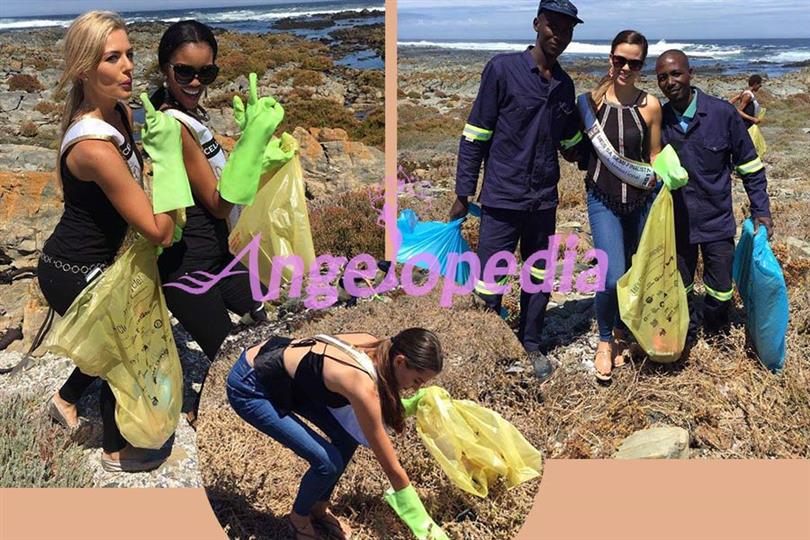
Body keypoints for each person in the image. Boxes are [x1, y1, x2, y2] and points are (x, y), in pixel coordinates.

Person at [42, 11, 180, 471]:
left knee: (109, 342)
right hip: (73, 269)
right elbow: (159, 230)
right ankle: (117, 451)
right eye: (112, 57)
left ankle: (64, 399)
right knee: (122, 351)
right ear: (85, 68)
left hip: (100, 260)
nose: (128, 67)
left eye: (130, 55)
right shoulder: (93, 148)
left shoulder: (120, 112)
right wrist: (172, 163)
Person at [149, 20, 286, 428]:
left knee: (266, 322)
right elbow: (217, 202)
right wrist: (252, 147)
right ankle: (204, 414)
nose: (195, 81)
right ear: (164, 69)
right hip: (188, 267)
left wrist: (252, 152)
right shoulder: (172, 125)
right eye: (184, 72)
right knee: (235, 358)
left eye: (206, 73)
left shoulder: (190, 116)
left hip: (219, 256)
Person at [448, 0, 584, 382]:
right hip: (502, 197)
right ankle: (485, 343)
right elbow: (475, 134)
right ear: (537, 23)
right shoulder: (502, 70)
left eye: (568, 29)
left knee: (538, 274)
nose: (559, 35)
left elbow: (568, 139)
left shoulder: (565, 85)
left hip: (543, 200)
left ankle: (530, 342)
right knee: (491, 277)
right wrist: (463, 191)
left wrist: (598, 154)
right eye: (553, 26)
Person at [227, 328, 447, 540]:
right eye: (417, 380)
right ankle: (298, 518)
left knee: (346, 438)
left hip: (287, 377)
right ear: (400, 361)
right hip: (251, 386)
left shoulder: (377, 345)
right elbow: (392, 468)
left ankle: (318, 507)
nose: (416, 388)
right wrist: (424, 525)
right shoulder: (360, 384)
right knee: (327, 463)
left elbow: (378, 403)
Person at [655, 50, 773, 346]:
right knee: (678, 284)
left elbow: (750, 166)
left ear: (690, 73)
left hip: (716, 219)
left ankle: (716, 328)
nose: (670, 82)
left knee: (720, 286)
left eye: (676, 73)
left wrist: (761, 209)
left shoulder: (722, 114)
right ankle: (686, 330)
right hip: (677, 222)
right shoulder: (659, 119)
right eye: (662, 77)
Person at [580, 30, 662, 382]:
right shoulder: (590, 102)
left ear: (642, 65)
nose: (625, 67)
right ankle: (603, 341)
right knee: (611, 276)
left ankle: (625, 331)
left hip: (642, 200)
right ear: (610, 58)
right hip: (604, 199)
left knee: (635, 272)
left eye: (634, 62)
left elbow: (654, 154)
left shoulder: (651, 106)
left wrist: (662, 187)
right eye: (619, 60)